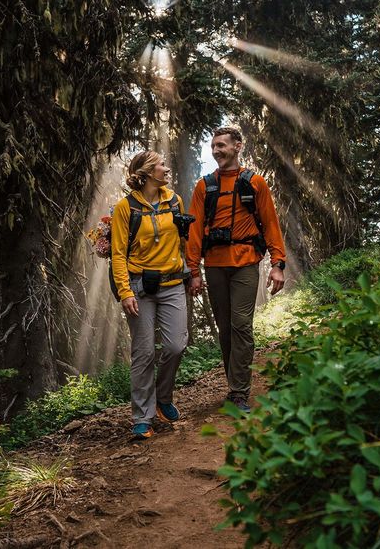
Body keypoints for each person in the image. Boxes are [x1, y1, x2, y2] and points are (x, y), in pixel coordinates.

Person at [186, 127, 285, 412]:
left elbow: (270, 224)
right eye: (214, 146)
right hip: (215, 266)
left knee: (241, 325)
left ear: (237, 146)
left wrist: (277, 264)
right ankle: (234, 385)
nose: (216, 151)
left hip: (245, 264)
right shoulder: (204, 186)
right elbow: (194, 232)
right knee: (226, 328)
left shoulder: (255, 183)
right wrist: (193, 271)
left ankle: (240, 391)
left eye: (222, 146)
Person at [111, 151, 190, 440]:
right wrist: (125, 291)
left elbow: (184, 241)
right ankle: (141, 418)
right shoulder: (125, 208)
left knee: (176, 346)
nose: (166, 168)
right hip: (140, 289)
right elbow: (118, 254)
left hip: (172, 285)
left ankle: (163, 398)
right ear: (145, 173)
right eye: (160, 165)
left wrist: (191, 272)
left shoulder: (175, 201)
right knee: (143, 353)